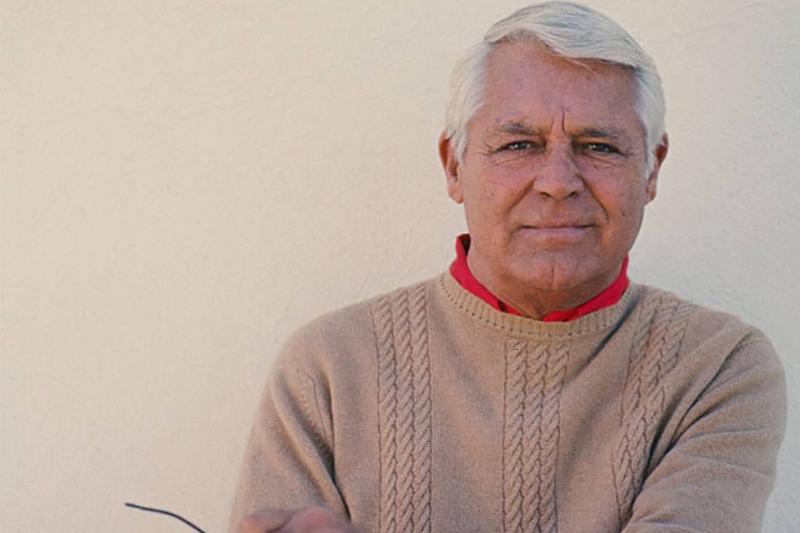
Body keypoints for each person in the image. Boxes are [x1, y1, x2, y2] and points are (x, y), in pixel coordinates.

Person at [229, 2, 786, 532]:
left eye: (599, 147)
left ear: (652, 169)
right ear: (454, 167)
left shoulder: (717, 367)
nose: (557, 181)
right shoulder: (328, 369)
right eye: (520, 144)